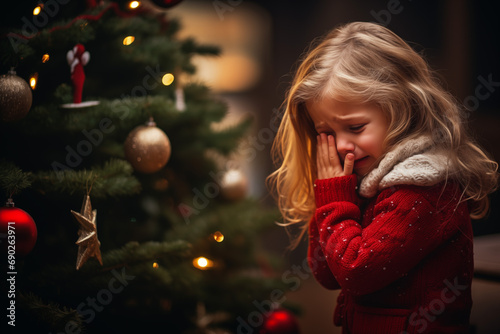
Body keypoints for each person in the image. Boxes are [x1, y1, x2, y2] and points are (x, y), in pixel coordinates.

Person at [268, 22, 498, 333]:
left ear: (401, 108)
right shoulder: (368, 182)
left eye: (356, 127)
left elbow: (355, 272)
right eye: (325, 133)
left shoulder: (422, 190)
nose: (340, 145)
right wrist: (332, 196)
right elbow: (327, 273)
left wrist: (334, 200)